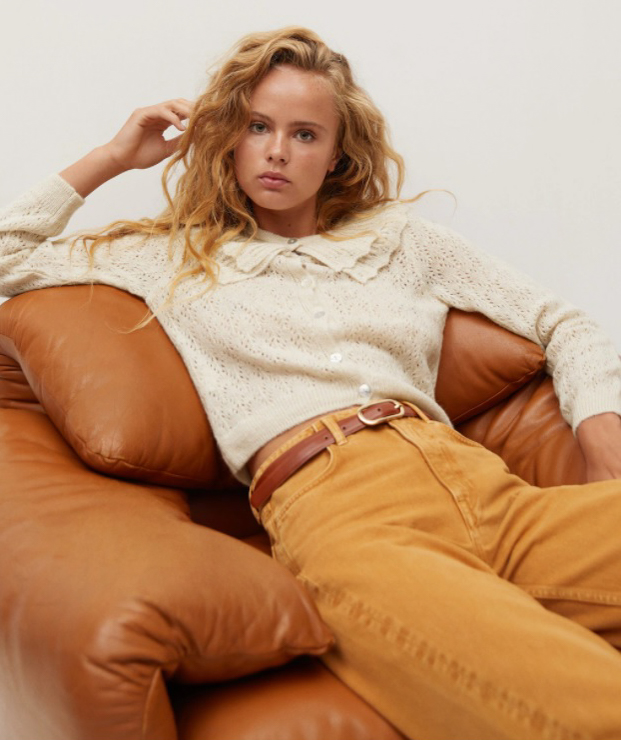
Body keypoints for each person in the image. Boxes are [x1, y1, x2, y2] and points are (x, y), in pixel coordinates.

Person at [1, 25, 621, 740]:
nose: (275, 150)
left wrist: (598, 429)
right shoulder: (167, 257)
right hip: (343, 512)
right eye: (257, 126)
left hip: (492, 494)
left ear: (334, 157)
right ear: (229, 138)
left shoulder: (402, 241)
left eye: (304, 134)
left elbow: (559, 321)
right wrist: (112, 158)